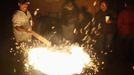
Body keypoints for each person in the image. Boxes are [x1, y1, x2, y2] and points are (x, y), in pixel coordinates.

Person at [11, 0, 32, 75]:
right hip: (21, 40)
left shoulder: (27, 12)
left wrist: (31, 22)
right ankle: (20, 72)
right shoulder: (16, 15)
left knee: (27, 56)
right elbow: (17, 27)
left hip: (28, 38)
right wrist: (25, 30)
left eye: (26, 4)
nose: (25, 6)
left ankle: (26, 70)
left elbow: (30, 18)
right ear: (19, 4)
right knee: (21, 57)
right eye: (24, 4)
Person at [117, 0, 134, 67]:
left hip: (124, 31)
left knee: (123, 44)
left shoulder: (123, 12)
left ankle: (124, 58)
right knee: (130, 44)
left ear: (126, 5)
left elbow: (119, 23)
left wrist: (119, 29)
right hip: (132, 31)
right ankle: (130, 57)